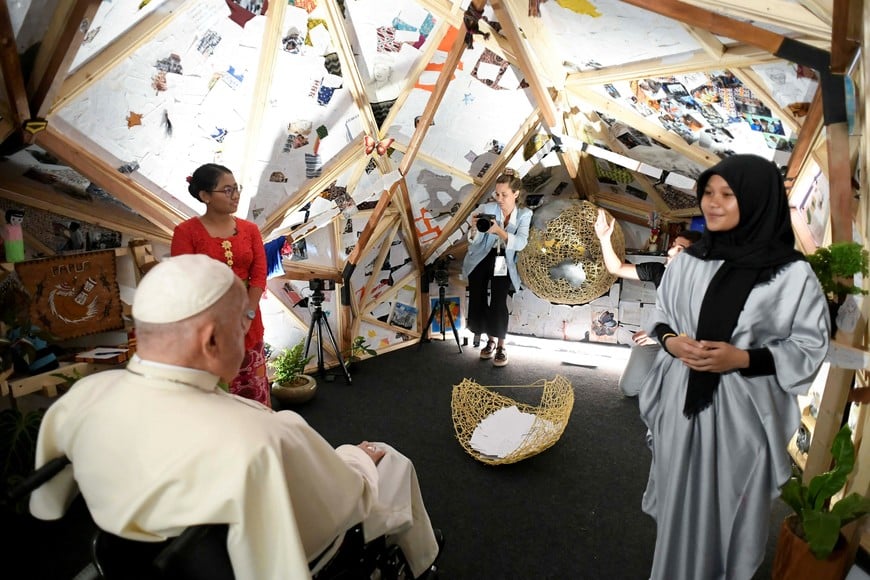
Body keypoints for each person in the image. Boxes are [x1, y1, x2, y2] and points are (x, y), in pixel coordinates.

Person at [29, 254, 442, 579]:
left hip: (130, 559)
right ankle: (423, 561)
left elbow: (47, 503)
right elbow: (343, 504)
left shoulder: (82, 399)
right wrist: (357, 458)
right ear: (212, 340)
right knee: (390, 460)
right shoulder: (262, 436)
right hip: (262, 561)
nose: (248, 334)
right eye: (244, 321)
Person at [638, 154, 830, 579]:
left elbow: (809, 346)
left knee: (724, 512)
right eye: (708, 192)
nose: (713, 203)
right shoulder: (689, 260)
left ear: (758, 201)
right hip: (680, 406)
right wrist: (672, 342)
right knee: (679, 512)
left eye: (728, 194)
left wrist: (740, 357)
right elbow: (659, 314)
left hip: (739, 418)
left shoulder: (792, 276)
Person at [171, 163, 270, 407]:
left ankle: (262, 441)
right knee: (222, 401)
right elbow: (186, 281)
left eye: (236, 188)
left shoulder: (250, 229)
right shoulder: (186, 232)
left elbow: (259, 273)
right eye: (227, 190)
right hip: (210, 327)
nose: (235, 195)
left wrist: (247, 314)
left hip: (249, 321)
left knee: (255, 391)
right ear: (205, 196)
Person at [594, 209, 701, 396]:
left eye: (680, 250)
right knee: (628, 388)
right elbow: (616, 268)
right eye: (673, 245)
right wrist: (604, 239)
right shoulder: (658, 271)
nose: (670, 251)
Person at [461, 170, 532, 367]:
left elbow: (521, 244)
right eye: (497, 194)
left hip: (504, 258)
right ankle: (488, 341)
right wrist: (474, 229)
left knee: (499, 299)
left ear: (516, 194)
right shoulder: (488, 208)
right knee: (478, 295)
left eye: (504, 195)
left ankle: (500, 345)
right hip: (483, 255)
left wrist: (499, 231)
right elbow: (475, 244)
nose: (499, 199)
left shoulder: (525, 214)